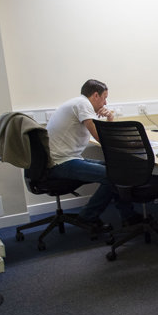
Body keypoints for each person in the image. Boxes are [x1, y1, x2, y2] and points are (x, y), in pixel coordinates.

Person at [46, 79, 140, 229]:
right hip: (61, 163)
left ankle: (128, 216)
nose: (105, 103)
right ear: (96, 95)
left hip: (65, 159)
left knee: (117, 170)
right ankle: (88, 217)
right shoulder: (83, 104)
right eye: (104, 98)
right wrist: (128, 142)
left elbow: (103, 137)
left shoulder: (78, 103)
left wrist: (109, 119)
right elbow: (102, 139)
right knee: (115, 175)